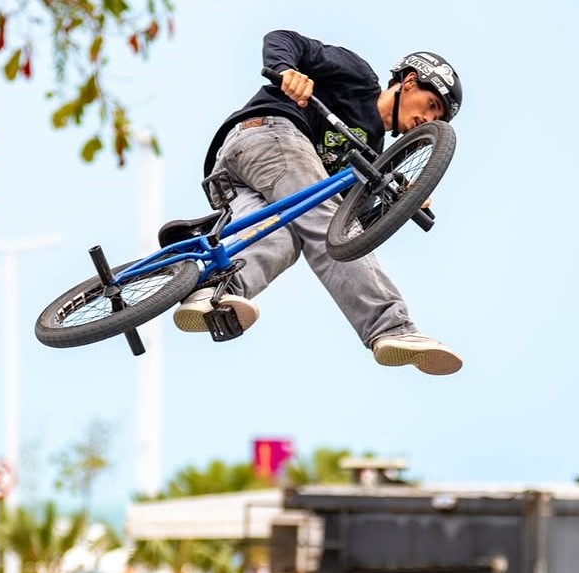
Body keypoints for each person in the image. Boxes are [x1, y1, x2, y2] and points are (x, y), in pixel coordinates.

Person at [173, 31, 464, 377]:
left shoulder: (372, 158)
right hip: (268, 133)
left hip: (229, 179)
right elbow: (284, 39)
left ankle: (208, 291)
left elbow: (347, 234)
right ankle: (391, 326)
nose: (429, 119)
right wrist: (286, 70)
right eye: (431, 105)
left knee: (281, 241)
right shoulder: (359, 79)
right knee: (319, 217)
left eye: (437, 118)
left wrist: (400, 203)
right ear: (410, 82)